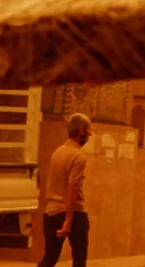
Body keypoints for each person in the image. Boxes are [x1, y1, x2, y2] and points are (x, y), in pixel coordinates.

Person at [38, 112, 93, 267]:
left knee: (49, 259)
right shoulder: (78, 156)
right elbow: (72, 188)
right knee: (79, 259)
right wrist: (68, 221)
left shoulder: (58, 152)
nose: (90, 134)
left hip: (51, 212)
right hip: (73, 213)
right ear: (81, 130)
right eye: (89, 130)